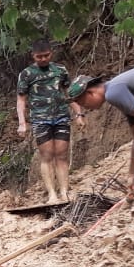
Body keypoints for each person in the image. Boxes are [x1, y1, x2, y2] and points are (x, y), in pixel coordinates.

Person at [16, 39, 86, 203]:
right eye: (39, 56)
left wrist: (79, 114)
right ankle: (52, 194)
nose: (43, 59)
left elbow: (69, 93)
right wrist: (22, 123)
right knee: (47, 155)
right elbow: (21, 100)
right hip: (40, 119)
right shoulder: (26, 74)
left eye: (46, 55)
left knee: (61, 154)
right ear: (33, 56)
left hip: (61, 117)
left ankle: (64, 192)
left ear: (51, 53)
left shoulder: (60, 70)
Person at [68, 68, 134, 194]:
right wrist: (132, 176)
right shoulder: (119, 93)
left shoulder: (113, 92)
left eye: (84, 103)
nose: (87, 108)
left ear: (90, 92)